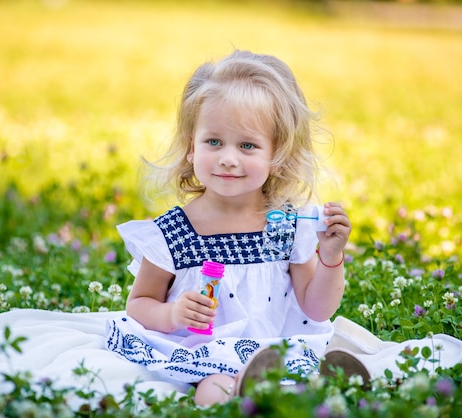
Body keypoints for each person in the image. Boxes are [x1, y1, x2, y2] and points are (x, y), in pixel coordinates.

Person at [105, 50, 351, 406]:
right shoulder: (175, 232)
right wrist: (172, 314)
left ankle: (309, 388)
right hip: (205, 355)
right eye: (214, 142)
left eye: (248, 145)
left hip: (272, 349)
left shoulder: (286, 226)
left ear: (276, 156)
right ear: (192, 147)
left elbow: (316, 309)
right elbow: (139, 304)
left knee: (297, 378)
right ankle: (244, 399)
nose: (228, 158)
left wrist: (331, 257)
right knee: (214, 390)